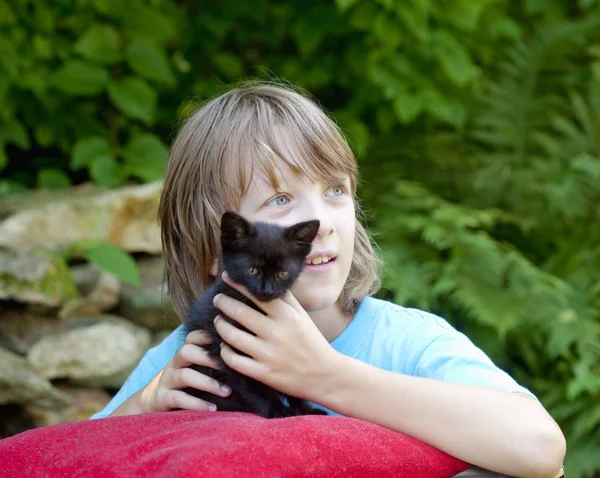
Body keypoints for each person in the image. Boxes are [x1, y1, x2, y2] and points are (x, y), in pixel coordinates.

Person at [91, 82, 565, 478]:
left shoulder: (405, 343)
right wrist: (147, 403)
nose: (322, 221)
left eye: (336, 190)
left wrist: (324, 376)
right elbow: (63, 458)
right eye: (280, 200)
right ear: (221, 249)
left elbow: (540, 447)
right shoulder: (183, 356)